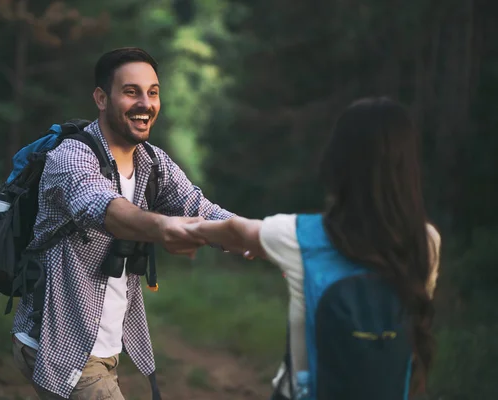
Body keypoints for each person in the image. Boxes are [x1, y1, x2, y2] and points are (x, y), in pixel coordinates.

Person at [10, 47, 235, 400]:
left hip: (105, 349)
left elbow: (202, 208)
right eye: (131, 92)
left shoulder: (151, 162)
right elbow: (104, 207)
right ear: (101, 98)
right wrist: (164, 227)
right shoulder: (69, 157)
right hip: (60, 345)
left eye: (153, 92)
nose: (145, 103)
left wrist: (270, 238)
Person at [186, 97, 441, 399]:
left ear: (338, 162)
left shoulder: (298, 237)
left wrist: (188, 229)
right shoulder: (425, 241)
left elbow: (236, 231)